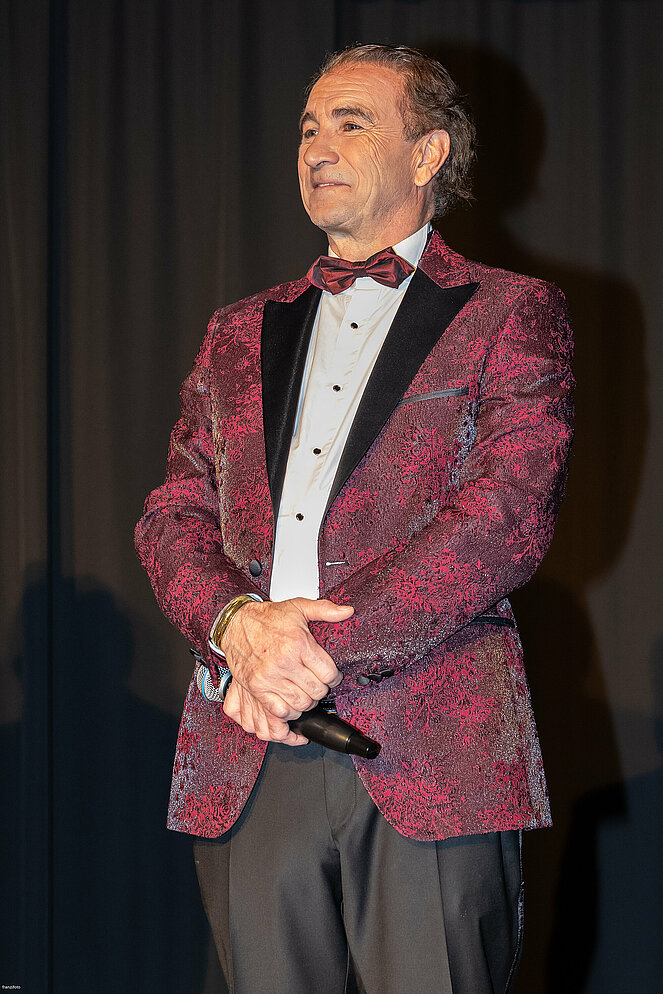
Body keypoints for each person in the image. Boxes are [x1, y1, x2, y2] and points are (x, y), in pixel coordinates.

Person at [135, 43, 574, 994]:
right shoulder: (235, 331)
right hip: (250, 749)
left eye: (351, 122)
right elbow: (174, 511)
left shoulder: (509, 311)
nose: (318, 148)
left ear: (428, 153)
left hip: (427, 744)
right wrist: (236, 626)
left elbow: (502, 519)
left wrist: (300, 659)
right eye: (307, 129)